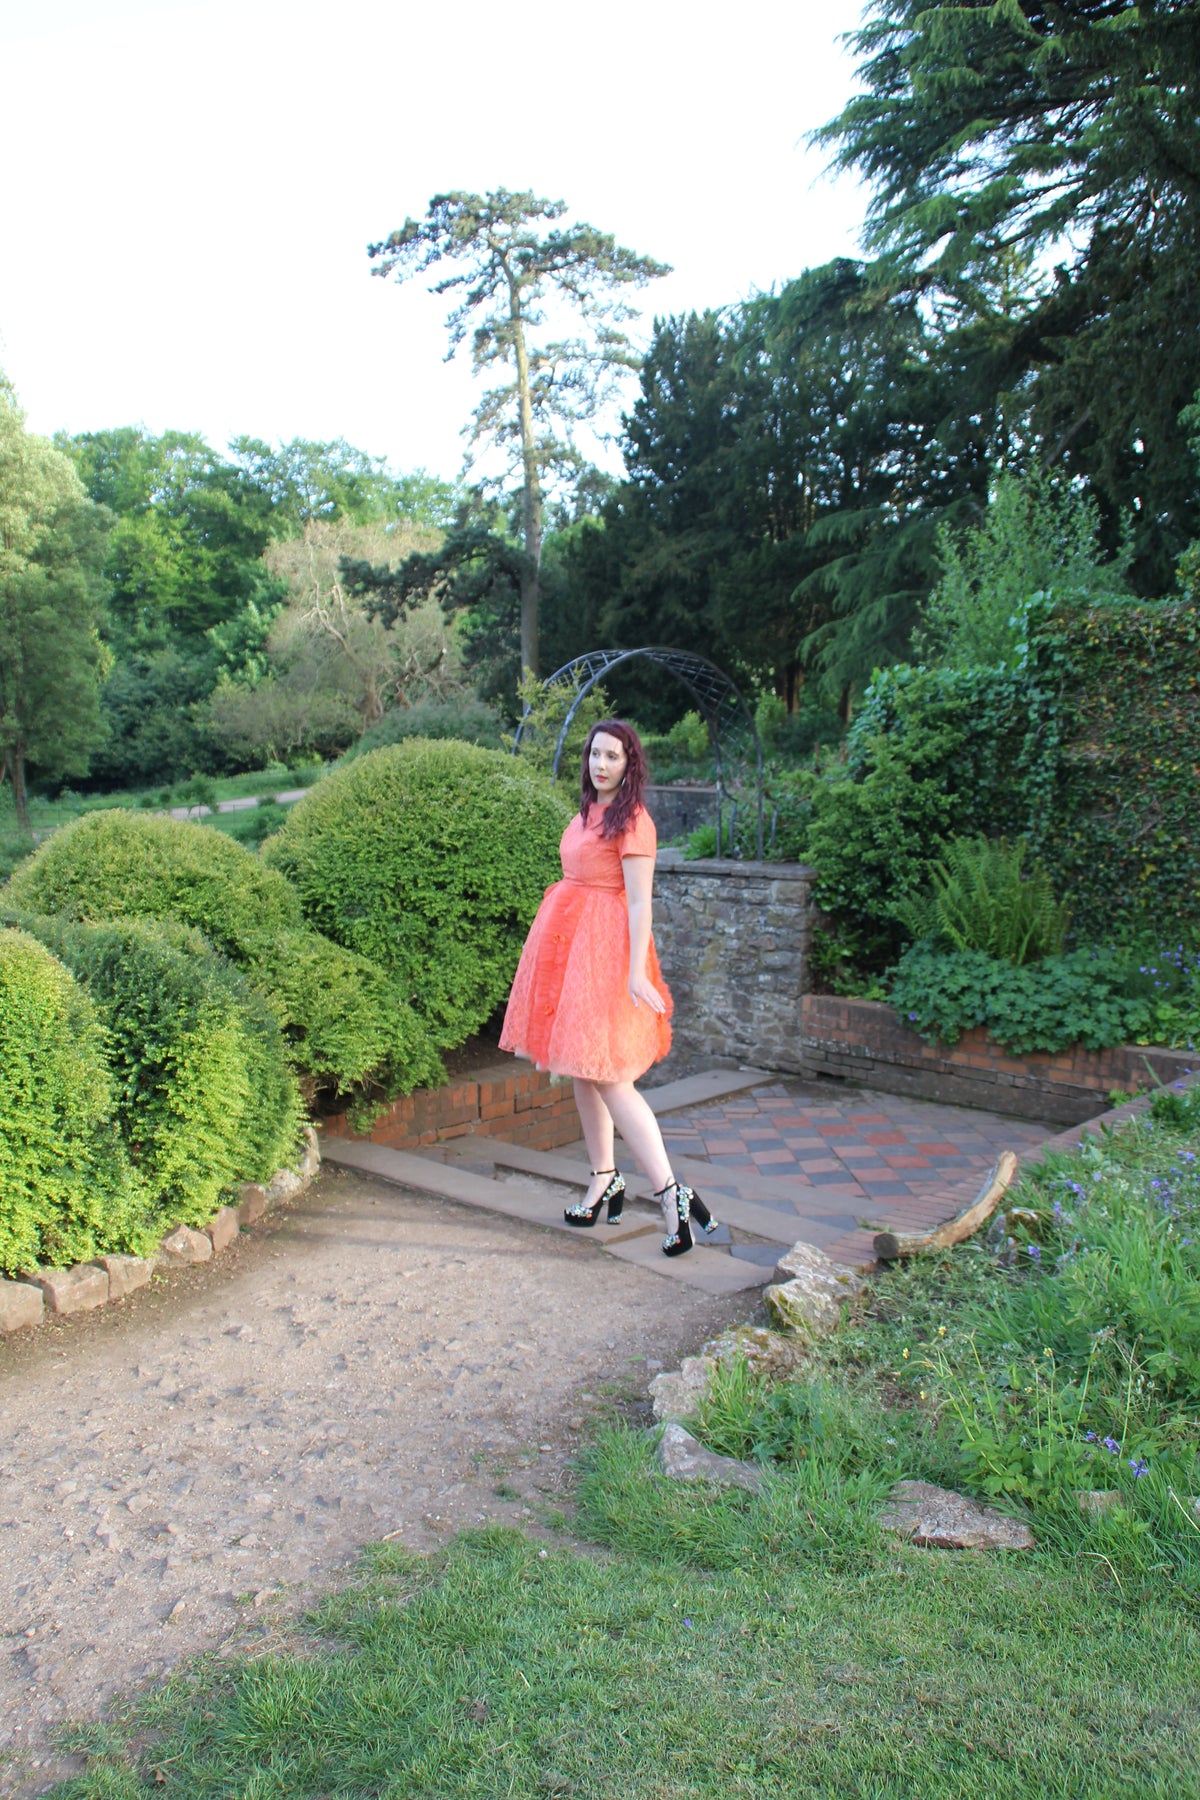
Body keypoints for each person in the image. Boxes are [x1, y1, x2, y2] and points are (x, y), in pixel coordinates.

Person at [500, 719, 717, 1257]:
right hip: (569, 947)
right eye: (595, 754)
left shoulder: (634, 821)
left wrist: (636, 972)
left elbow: (641, 901)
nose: (601, 765)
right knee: (580, 1067)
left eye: (612, 757)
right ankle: (603, 1178)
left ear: (629, 763)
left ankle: (671, 1195)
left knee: (613, 1077)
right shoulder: (588, 811)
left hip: (606, 953)